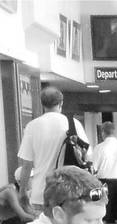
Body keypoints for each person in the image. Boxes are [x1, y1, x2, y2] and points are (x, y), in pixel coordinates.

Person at [17, 86, 89, 214]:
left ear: (42, 104)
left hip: (41, 193)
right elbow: (87, 156)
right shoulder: (73, 124)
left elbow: (27, 165)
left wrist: (22, 191)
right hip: (69, 192)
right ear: (61, 103)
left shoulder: (32, 126)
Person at [92, 121, 117, 223]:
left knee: (104, 216)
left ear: (103, 132)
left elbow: (94, 168)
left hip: (103, 184)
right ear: (114, 132)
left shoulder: (99, 148)